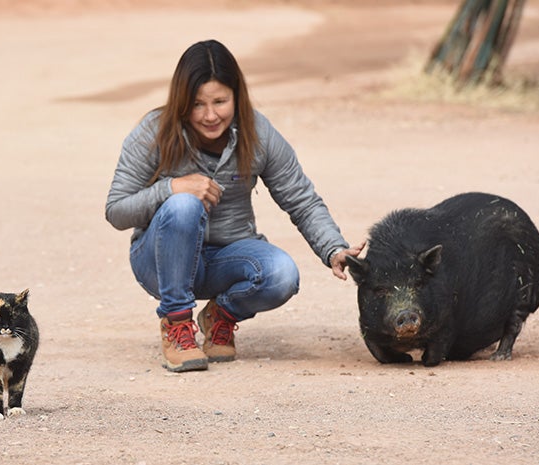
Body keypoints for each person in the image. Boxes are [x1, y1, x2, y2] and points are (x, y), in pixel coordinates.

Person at [105, 39, 363, 373]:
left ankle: (220, 315)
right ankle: (176, 324)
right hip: (161, 262)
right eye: (197, 104)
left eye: (220, 101)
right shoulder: (153, 132)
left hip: (229, 258)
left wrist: (333, 248)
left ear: (236, 96)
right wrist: (171, 188)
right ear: (181, 102)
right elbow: (116, 210)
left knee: (282, 274)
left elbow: (300, 198)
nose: (210, 115)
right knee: (183, 205)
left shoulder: (259, 133)